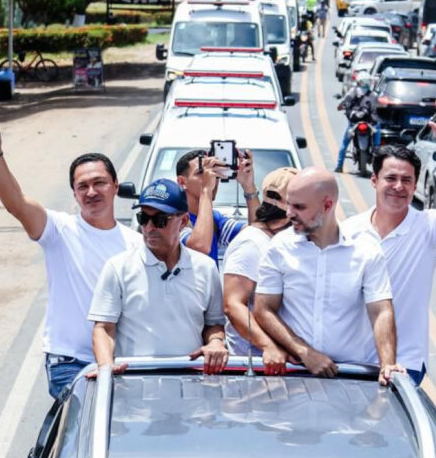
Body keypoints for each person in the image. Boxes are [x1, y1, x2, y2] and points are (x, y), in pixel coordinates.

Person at [0, 112, 139, 399]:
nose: (91, 192)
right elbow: (17, 204)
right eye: (82, 186)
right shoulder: (59, 230)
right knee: (84, 423)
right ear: (74, 194)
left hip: (121, 362)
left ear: (116, 186)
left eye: (100, 183)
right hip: (70, 363)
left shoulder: (136, 244)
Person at [341, 98, 436, 386]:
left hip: (404, 364)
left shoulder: (427, 228)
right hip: (350, 362)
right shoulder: (348, 231)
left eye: (407, 180)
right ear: (374, 180)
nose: (398, 186)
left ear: (415, 186)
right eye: (391, 178)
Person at [253, 167, 398, 383]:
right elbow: (264, 309)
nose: (289, 213)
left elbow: (380, 311)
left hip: (351, 377)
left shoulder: (366, 250)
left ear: (327, 206)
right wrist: (304, 352)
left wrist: (387, 366)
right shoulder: (279, 247)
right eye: (289, 204)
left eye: (299, 207)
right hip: (294, 375)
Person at [89, 179, 227, 375]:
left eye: (160, 220)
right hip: (135, 382)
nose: (149, 227)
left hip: (192, 382)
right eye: (143, 218)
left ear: (183, 221)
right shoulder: (118, 267)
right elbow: (103, 328)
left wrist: (216, 342)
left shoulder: (206, 268)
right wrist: (106, 366)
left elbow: (213, 323)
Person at [222, 166, 298, 372]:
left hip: (284, 366)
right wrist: (268, 346)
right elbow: (232, 305)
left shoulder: (280, 240)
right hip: (254, 367)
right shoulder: (251, 244)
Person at [176, 148, 259, 262]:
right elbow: (200, 247)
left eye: (213, 171)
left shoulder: (214, 218)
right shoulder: (173, 220)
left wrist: (249, 187)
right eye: (201, 172)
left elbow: (257, 234)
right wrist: (206, 190)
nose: (211, 178)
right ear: (182, 182)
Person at [335, 77, 380, 172]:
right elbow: (344, 103)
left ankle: (339, 166)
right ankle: (376, 148)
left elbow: (344, 103)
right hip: (362, 123)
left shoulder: (357, 92)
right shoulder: (371, 94)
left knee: (344, 144)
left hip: (362, 123)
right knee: (377, 130)